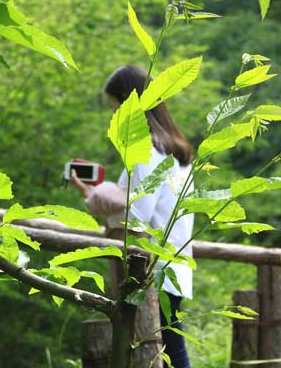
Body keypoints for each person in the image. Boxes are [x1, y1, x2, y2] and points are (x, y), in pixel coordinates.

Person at [71, 65, 195, 368]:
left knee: (165, 350)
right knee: (167, 347)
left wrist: (96, 198)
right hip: (174, 263)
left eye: (116, 108)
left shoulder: (146, 150)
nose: (115, 117)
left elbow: (138, 215)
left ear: (130, 104)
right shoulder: (175, 150)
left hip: (152, 268)